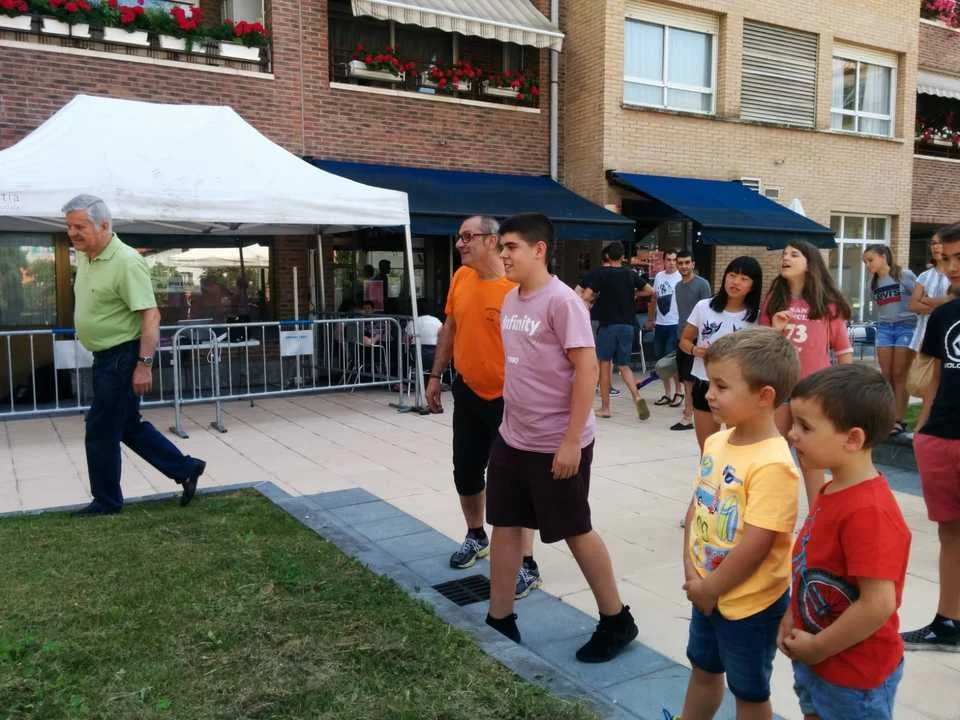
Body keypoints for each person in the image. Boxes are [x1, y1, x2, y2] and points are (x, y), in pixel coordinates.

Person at [485, 213, 637, 662]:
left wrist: (571, 441)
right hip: (514, 437)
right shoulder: (511, 300)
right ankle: (499, 619)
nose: (503, 254)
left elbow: (586, 369)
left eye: (511, 246)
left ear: (539, 250)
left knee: (574, 529)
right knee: (505, 523)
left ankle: (616, 620)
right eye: (501, 247)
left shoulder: (563, 302)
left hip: (557, 442)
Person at [675, 328, 800, 720]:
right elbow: (697, 507)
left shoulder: (774, 463)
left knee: (748, 690)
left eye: (721, 386)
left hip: (750, 605)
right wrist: (693, 575)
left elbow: (758, 544)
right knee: (703, 667)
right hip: (705, 591)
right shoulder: (717, 442)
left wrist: (710, 588)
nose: (709, 394)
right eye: (709, 383)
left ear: (764, 396)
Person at [780, 364, 910, 720]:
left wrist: (819, 647)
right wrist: (793, 615)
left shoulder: (868, 512)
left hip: (855, 677)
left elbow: (877, 604)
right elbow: (811, 565)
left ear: (852, 439)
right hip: (818, 661)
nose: (792, 434)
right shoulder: (832, 489)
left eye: (805, 426)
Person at [63, 194, 205, 517]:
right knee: (127, 425)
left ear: (103, 225)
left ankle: (107, 502)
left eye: (79, 227)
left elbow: (151, 315)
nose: (72, 233)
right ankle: (186, 468)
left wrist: (144, 365)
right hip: (105, 357)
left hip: (122, 357)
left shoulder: (126, 262)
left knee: (100, 429)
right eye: (69, 227)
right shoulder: (86, 256)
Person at [425, 216, 541, 599]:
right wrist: (435, 374)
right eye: (459, 237)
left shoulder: (518, 287)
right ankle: (476, 535)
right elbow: (450, 328)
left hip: (511, 398)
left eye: (467, 237)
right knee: (466, 471)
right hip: (468, 391)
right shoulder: (461, 278)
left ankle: (527, 564)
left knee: (515, 480)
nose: (460, 243)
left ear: (491, 241)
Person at [900, 222, 960, 652]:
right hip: (941, 437)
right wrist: (922, 431)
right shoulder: (943, 315)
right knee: (950, 534)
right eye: (947, 259)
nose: (952, 267)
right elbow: (935, 379)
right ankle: (948, 621)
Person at [761, 240, 853, 508]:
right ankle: (767, 513)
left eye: (794, 254)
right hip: (780, 388)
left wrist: (846, 391)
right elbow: (761, 344)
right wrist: (775, 329)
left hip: (814, 391)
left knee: (811, 460)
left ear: (810, 264)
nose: (785, 258)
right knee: (773, 455)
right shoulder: (773, 300)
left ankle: (816, 518)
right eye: (784, 254)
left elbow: (843, 350)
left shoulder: (828, 304)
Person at [678, 256, 763, 453]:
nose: (735, 282)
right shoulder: (704, 307)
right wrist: (696, 350)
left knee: (737, 451)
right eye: (732, 275)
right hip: (705, 384)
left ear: (753, 285)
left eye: (744, 279)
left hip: (739, 389)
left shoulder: (757, 317)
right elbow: (684, 341)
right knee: (708, 451)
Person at [579, 242, 652, 420]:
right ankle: (637, 396)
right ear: (622, 257)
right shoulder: (630, 274)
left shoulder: (602, 274)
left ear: (607, 257)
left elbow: (586, 296)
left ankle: (605, 408)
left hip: (608, 326)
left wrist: (596, 299)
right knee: (624, 365)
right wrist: (635, 294)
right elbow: (650, 290)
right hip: (628, 326)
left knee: (605, 365)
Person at [862, 244, 918, 435]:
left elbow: (920, 297)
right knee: (886, 374)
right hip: (885, 328)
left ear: (883, 256)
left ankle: (898, 419)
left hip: (907, 326)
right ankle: (887, 416)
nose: (868, 265)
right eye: (865, 262)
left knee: (899, 373)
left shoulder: (904, 275)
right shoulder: (873, 283)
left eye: (870, 260)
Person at [908, 229, 952, 423]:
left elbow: (954, 300)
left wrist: (927, 300)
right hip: (925, 335)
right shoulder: (925, 276)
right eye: (933, 243)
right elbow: (913, 305)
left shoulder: (954, 275)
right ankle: (926, 424)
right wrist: (942, 304)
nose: (936, 247)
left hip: (950, 336)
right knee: (927, 385)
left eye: (939, 243)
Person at [671, 250, 713, 431]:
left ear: (693, 264)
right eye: (680, 263)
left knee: (692, 380)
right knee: (686, 379)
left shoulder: (702, 284)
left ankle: (688, 416)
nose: (683, 266)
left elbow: (708, 312)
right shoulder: (678, 287)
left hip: (697, 339)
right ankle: (690, 413)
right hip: (682, 337)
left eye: (687, 262)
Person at [645, 249, 683, 408]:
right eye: (669, 259)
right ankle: (667, 393)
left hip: (675, 324)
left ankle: (679, 392)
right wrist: (650, 318)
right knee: (661, 362)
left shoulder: (681, 277)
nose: (672, 263)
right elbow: (654, 298)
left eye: (674, 260)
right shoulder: (659, 276)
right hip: (660, 324)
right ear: (664, 261)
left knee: (672, 361)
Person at [404, 301, 443, 391]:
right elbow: (443, 337)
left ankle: (406, 383)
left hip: (417, 356)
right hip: (435, 356)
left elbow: (405, 340)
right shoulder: (437, 321)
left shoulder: (412, 322)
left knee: (404, 356)